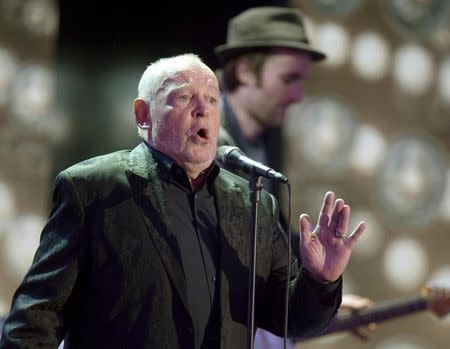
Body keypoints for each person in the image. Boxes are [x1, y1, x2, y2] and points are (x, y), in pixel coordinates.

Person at [0, 53, 365, 349]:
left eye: (211, 98)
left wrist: (321, 279)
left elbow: (290, 320)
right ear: (144, 115)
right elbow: (33, 321)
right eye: (184, 97)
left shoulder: (253, 204)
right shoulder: (93, 189)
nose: (202, 109)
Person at [214, 6, 374, 347]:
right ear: (244, 70)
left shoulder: (262, 141)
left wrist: (318, 289)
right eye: (289, 79)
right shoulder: (207, 145)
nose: (298, 96)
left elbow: (270, 248)